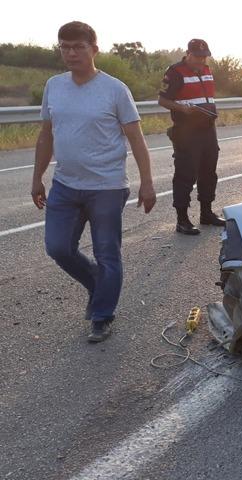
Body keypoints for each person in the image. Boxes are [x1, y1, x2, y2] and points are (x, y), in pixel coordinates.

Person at [31, 21, 157, 342]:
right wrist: (37, 179)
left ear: (94, 50)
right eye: (65, 47)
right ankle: (98, 284)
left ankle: (102, 315)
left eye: (78, 47)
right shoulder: (54, 86)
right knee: (58, 247)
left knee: (107, 253)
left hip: (107, 187)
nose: (71, 53)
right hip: (65, 185)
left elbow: (137, 140)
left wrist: (147, 182)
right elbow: (46, 135)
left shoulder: (115, 89)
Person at [158, 38, 225, 235]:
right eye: (197, 57)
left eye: (204, 57)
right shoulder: (175, 72)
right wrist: (182, 108)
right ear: (188, 54)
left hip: (207, 129)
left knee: (208, 172)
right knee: (185, 174)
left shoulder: (206, 69)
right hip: (187, 131)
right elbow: (162, 99)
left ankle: (206, 213)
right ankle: (182, 219)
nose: (201, 60)